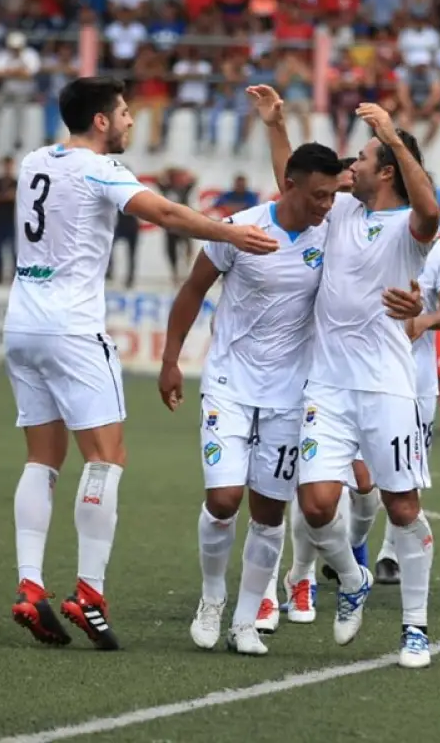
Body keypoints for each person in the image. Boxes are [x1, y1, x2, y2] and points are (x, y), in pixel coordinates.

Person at [4, 76, 278, 651]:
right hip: (73, 329)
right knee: (107, 459)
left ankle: (31, 585)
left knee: (42, 459)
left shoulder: (33, 162)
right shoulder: (100, 169)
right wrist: (232, 232)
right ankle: (90, 593)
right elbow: (167, 213)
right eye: (125, 112)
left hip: (21, 323)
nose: (130, 121)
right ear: (101, 121)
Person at [257, 84, 440, 668]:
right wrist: (275, 125)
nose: (350, 166)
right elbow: (296, 182)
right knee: (314, 506)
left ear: (385, 170)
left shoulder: (410, 230)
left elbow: (431, 209)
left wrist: (390, 133)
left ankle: (415, 627)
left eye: (361, 159)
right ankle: (352, 578)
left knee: (404, 507)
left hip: (388, 388)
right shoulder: (337, 211)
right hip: (328, 388)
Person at [158, 142, 346, 657]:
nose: (326, 205)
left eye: (332, 196)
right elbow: (194, 289)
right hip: (229, 385)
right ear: (289, 185)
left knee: (268, 512)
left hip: (291, 394)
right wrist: (172, 359)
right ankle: (212, 598)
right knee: (223, 500)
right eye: (318, 196)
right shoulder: (239, 228)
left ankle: (246, 620)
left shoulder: (332, 235)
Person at [372, 236, 440, 584]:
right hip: (363, 375)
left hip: (415, 382)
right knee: (358, 483)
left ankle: (390, 554)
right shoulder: (363, 238)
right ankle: (348, 554)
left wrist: (424, 320)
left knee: (407, 472)